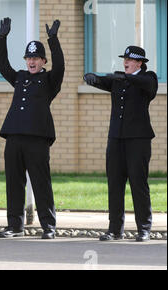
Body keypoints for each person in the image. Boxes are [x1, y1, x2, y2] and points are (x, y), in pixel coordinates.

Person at [0, 18, 64, 239]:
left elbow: (61, 66)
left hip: (37, 138)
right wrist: (1, 38)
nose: (32, 61)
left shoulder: (50, 80)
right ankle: (15, 225)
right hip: (14, 136)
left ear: (43, 60)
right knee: (14, 183)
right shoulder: (19, 77)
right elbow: (1, 64)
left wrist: (53, 40)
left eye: (36, 58)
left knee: (41, 182)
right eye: (29, 58)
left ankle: (48, 226)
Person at [84, 46, 158, 242]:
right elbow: (104, 81)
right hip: (116, 139)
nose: (125, 61)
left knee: (138, 183)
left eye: (129, 59)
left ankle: (144, 228)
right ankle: (115, 229)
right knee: (115, 184)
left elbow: (146, 84)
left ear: (139, 63)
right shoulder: (119, 79)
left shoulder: (149, 78)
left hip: (138, 140)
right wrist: (93, 79)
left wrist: (124, 77)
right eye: (124, 58)